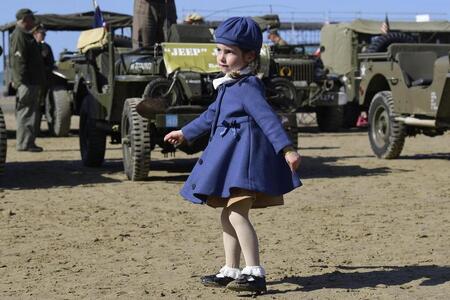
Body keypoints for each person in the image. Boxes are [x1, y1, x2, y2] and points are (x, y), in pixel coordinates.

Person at [164, 17, 302, 294]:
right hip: (230, 158)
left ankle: (254, 272)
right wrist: (186, 132)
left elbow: (267, 119)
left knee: (237, 215)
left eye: (229, 52)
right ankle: (231, 269)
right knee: (227, 216)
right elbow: (211, 115)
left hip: (244, 161)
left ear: (249, 56)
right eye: (219, 50)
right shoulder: (229, 85)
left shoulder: (248, 86)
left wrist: (286, 149)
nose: (222, 57)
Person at [10, 8, 46, 152]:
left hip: (30, 81)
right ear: (25, 19)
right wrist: (21, 82)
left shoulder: (25, 35)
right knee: (26, 113)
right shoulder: (20, 35)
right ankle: (25, 144)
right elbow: (19, 61)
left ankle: (27, 142)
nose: (34, 21)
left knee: (29, 112)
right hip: (27, 82)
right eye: (31, 18)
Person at [32, 24, 55, 133]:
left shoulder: (46, 47)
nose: (44, 36)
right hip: (33, 81)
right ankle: (34, 129)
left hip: (44, 80)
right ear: (35, 34)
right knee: (35, 105)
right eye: (42, 34)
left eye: (44, 34)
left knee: (44, 105)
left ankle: (42, 128)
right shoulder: (31, 46)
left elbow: (51, 62)